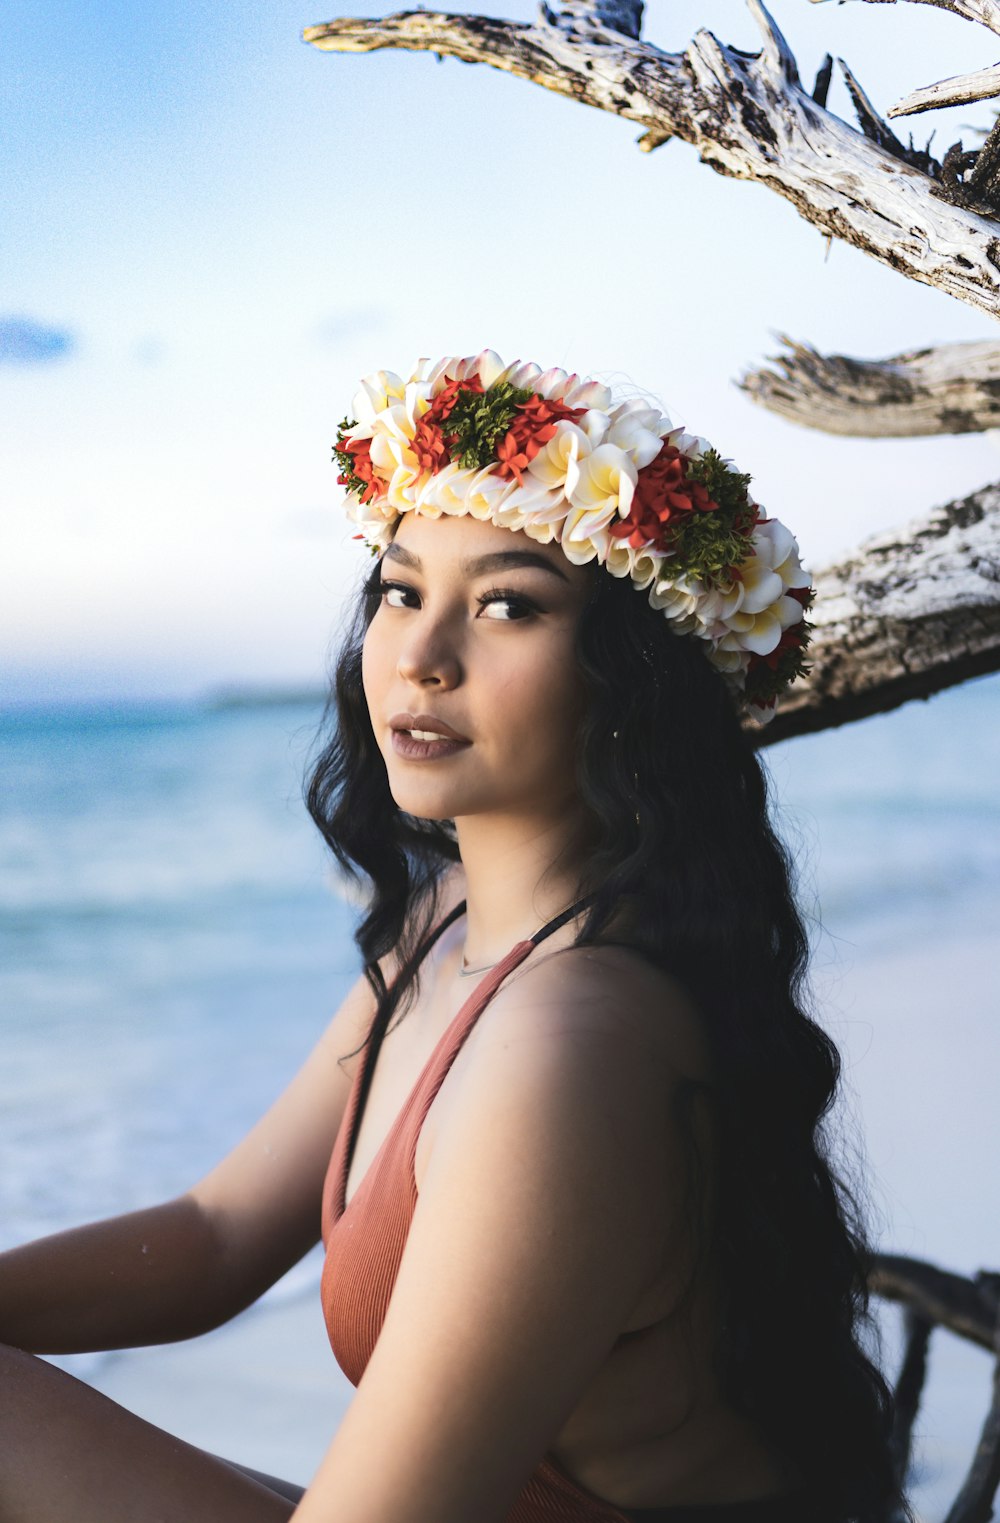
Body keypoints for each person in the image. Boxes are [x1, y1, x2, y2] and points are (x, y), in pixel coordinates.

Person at [0, 350, 904, 1523]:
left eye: (508, 603)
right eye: (398, 589)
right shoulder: (448, 928)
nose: (421, 656)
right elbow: (214, 1237)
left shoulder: (575, 1039)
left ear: (631, 681)